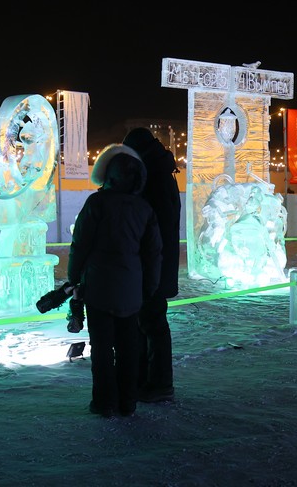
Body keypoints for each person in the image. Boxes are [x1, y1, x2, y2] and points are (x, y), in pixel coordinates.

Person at [67, 144, 162, 418]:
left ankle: (104, 402)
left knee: (102, 348)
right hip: (131, 289)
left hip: (98, 287)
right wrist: (148, 287)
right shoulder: (144, 209)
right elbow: (154, 253)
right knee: (128, 347)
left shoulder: (97, 204)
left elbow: (80, 244)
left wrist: (73, 277)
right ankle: (127, 402)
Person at [123, 127, 181, 403]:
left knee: (151, 322)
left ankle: (158, 384)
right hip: (155, 265)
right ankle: (148, 381)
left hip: (152, 266)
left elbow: (153, 229)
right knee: (147, 322)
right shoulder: (162, 174)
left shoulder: (153, 179)